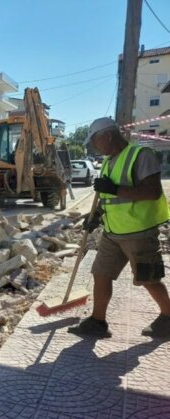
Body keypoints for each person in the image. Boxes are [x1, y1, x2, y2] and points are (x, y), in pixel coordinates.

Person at [68, 117, 170, 338]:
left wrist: (114, 189)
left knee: (148, 278)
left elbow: (153, 192)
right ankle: (98, 322)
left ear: (108, 135)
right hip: (113, 232)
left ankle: (168, 317)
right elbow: (108, 198)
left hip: (138, 232)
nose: (94, 146)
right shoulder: (108, 161)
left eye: (95, 141)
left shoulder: (141, 156)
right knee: (101, 273)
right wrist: (95, 216)